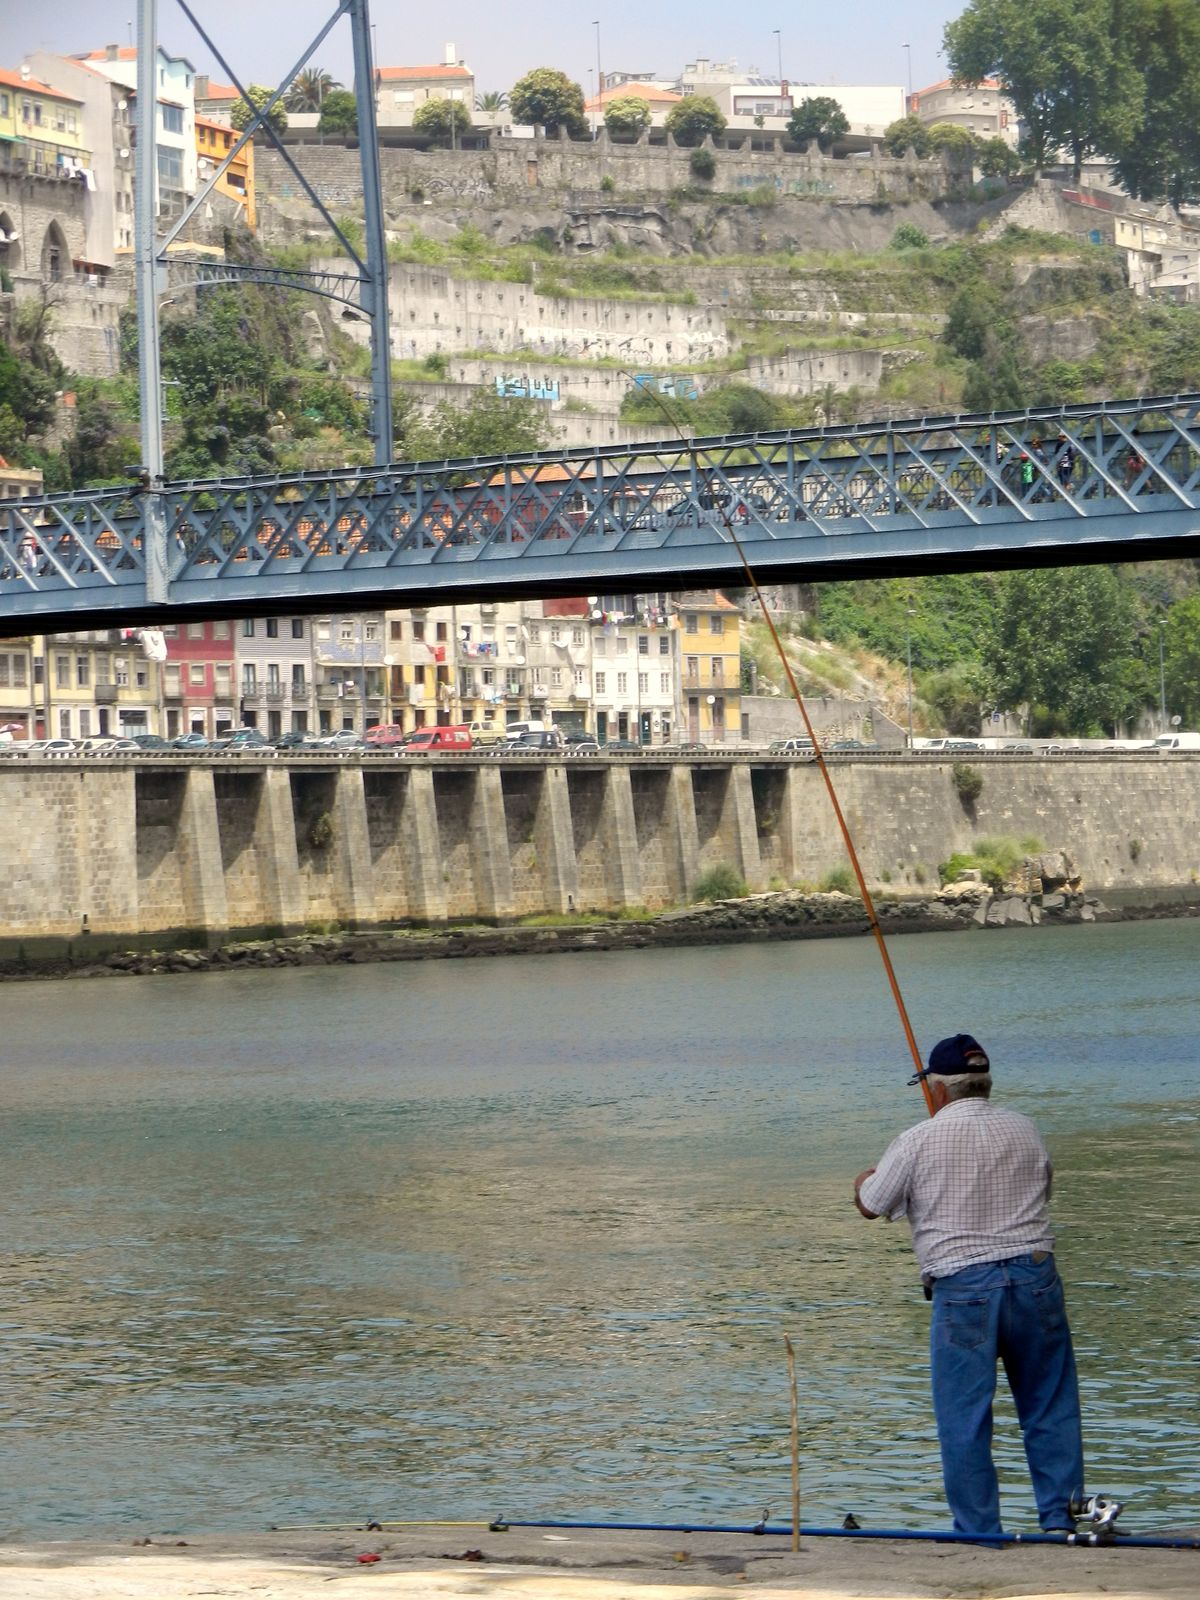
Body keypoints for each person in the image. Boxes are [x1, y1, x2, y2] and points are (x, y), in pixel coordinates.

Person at [853, 1033, 1084, 1538]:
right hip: (1035, 1277)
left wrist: (863, 1179)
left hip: (964, 1290)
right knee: (1050, 1407)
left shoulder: (916, 1139)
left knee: (965, 1421)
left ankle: (980, 1535)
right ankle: (1063, 1524)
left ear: (936, 1090)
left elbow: (873, 1203)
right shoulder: (1025, 1128)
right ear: (985, 1083)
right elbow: (1044, 1188)